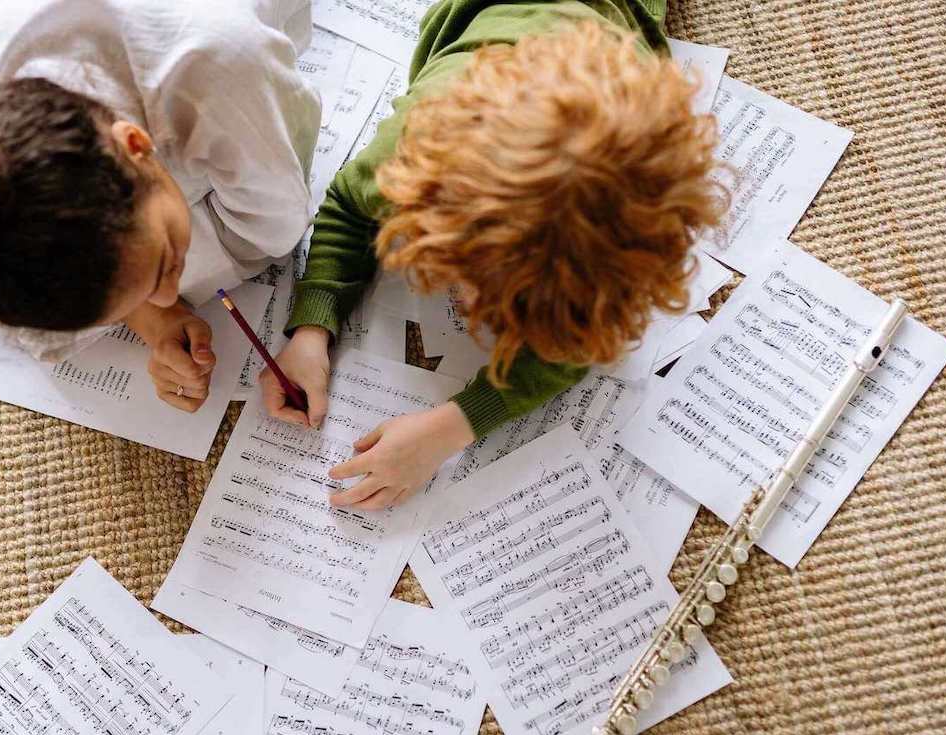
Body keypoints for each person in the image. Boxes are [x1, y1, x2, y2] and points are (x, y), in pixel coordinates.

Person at [261, 2, 725, 510]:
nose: (465, 303)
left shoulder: (635, 200)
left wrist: (451, 427)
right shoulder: (418, 146)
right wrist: (311, 329)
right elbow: (350, 204)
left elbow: (578, 343)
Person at [0, 0, 320, 411]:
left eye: (166, 265)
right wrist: (147, 315)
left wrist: (148, 304)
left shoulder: (218, 67)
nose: (171, 293)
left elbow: (272, 227)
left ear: (136, 143)